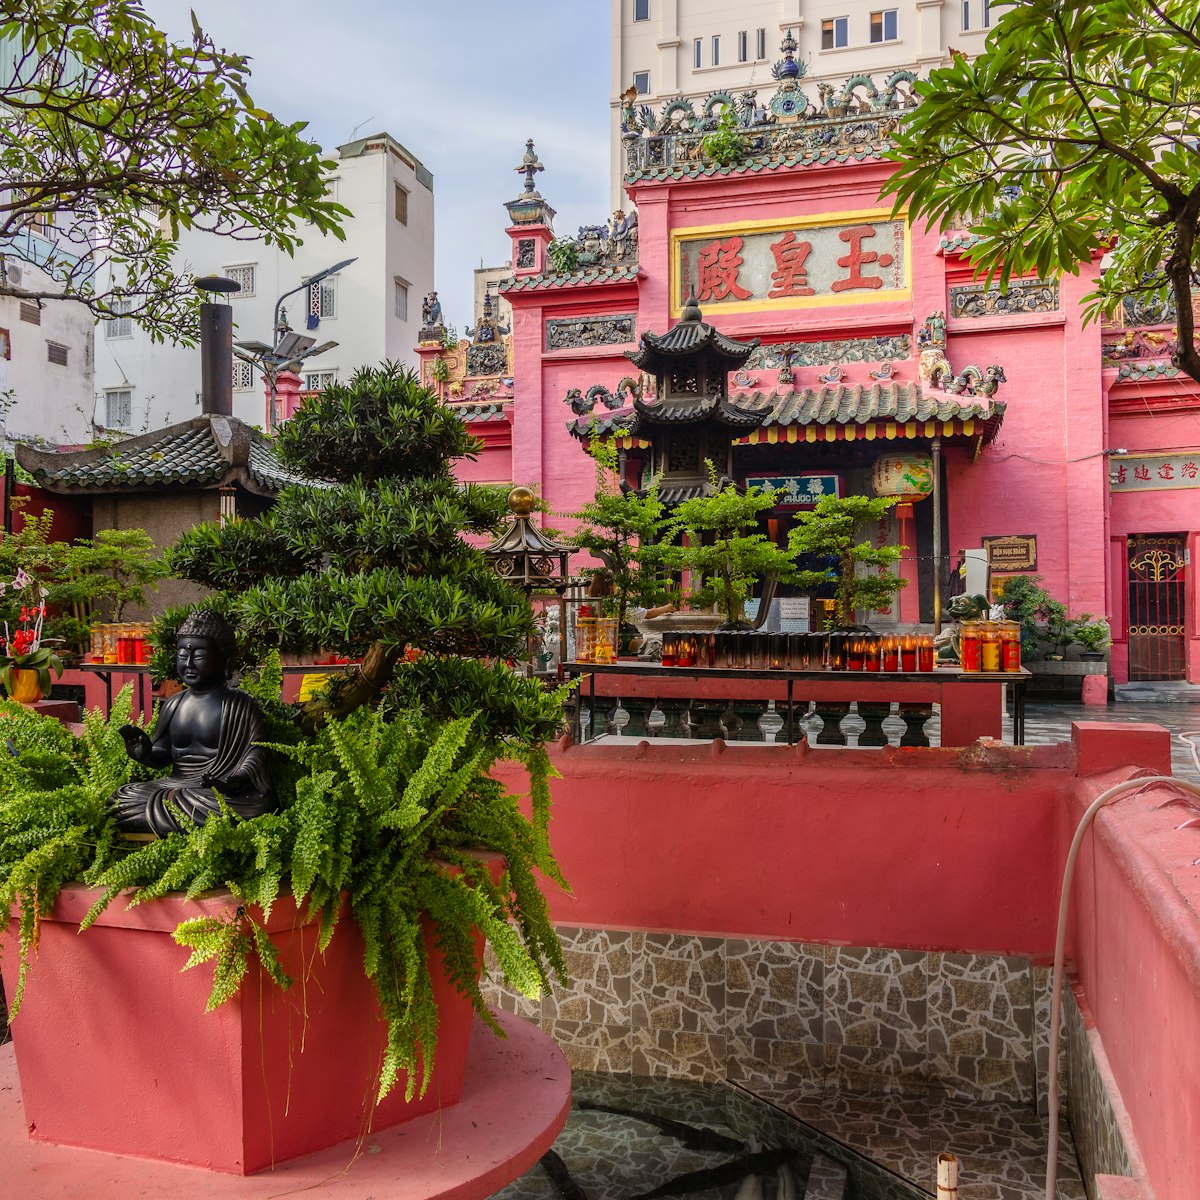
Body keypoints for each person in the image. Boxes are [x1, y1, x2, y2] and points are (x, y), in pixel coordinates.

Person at [109, 611, 273, 836]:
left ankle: (170, 817)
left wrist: (234, 781)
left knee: (254, 806)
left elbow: (257, 753)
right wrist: (145, 754)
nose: (188, 663)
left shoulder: (241, 705)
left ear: (224, 659)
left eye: (199, 655)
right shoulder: (174, 704)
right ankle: (175, 816)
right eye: (182, 654)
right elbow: (163, 754)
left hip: (216, 792)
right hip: (176, 786)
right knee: (121, 797)